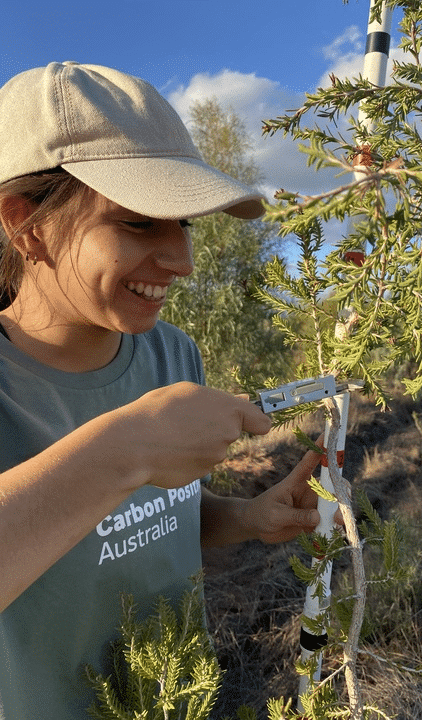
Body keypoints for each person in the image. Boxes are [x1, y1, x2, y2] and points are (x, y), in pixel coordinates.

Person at [0, 62, 327, 718]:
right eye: (140, 223)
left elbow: (153, 518)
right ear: (26, 225)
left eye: (187, 225)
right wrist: (128, 446)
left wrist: (245, 518)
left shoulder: (173, 352)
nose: (182, 260)